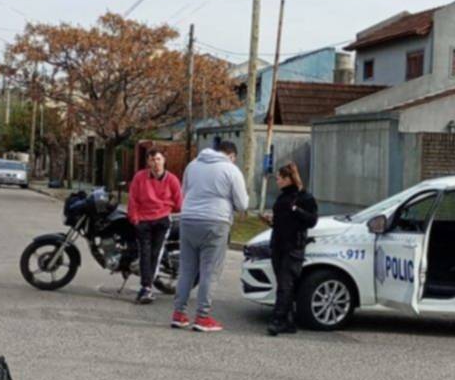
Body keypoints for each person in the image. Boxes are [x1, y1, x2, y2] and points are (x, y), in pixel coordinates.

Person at [171, 141, 249, 333]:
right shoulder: (231, 170)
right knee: (209, 271)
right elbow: (242, 203)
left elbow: (184, 192)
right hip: (215, 222)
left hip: (188, 219)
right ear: (232, 155)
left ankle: (179, 314)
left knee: (187, 269)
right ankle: (202, 316)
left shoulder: (193, 165)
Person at [262, 162, 318, 336]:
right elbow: (282, 221)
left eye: (279, 178)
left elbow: (312, 220)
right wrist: (271, 221)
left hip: (293, 246)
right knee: (283, 284)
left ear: (288, 179)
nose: (277, 181)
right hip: (278, 244)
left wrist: (296, 210)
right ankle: (288, 320)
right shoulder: (282, 197)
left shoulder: (304, 197)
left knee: (285, 284)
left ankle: (277, 320)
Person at [128, 148, 183, 304]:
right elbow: (133, 199)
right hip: (143, 221)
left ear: (164, 160)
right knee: (144, 254)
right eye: (152, 160)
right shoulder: (139, 177)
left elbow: (179, 203)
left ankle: (147, 288)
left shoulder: (172, 180)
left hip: (162, 220)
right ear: (148, 162)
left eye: (158, 159)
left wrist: (166, 209)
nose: (155, 163)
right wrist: (135, 219)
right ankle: (146, 287)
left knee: (155, 254)